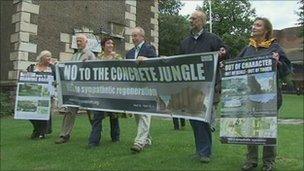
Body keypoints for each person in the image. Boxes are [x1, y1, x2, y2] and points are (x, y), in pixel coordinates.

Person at [239, 17, 291, 171]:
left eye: (258, 25)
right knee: (251, 129)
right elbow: (235, 67)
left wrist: (278, 63)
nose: (254, 27)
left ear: (266, 30)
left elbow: (287, 71)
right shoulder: (247, 48)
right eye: (254, 24)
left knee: (268, 129)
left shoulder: (275, 48)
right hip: (250, 96)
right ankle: (251, 161)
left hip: (270, 97)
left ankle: (269, 162)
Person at [179, 10, 223, 163]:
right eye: (190, 18)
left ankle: (205, 152)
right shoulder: (185, 42)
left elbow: (225, 53)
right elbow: (178, 62)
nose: (191, 20)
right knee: (194, 119)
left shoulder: (213, 39)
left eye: (194, 18)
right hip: (191, 87)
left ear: (203, 21)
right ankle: (201, 150)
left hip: (209, 87)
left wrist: (224, 52)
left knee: (203, 118)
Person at [55, 34, 96, 144]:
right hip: (74, 89)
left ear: (86, 42)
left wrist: (89, 65)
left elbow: (95, 69)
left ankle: (96, 133)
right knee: (70, 111)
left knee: (91, 112)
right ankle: (64, 135)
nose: (78, 43)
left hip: (86, 89)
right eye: (77, 41)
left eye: (80, 41)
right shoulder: (75, 55)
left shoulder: (90, 54)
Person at [126, 26, 157, 153]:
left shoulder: (149, 48)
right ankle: (147, 139)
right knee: (138, 114)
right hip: (134, 87)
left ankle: (139, 142)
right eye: (132, 36)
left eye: (135, 36)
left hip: (147, 86)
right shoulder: (129, 53)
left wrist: (147, 60)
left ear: (142, 37)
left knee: (144, 113)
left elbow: (156, 62)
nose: (133, 38)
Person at [87, 37, 122, 147]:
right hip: (100, 92)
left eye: (112, 43)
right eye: (108, 43)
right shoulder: (98, 58)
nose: (110, 45)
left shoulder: (118, 57)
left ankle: (115, 137)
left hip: (113, 91)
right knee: (97, 116)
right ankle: (93, 141)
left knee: (114, 116)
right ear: (103, 46)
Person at [27, 50, 55, 139]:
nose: (49, 58)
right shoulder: (33, 67)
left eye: (50, 56)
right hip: (34, 93)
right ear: (42, 57)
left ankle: (42, 132)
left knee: (44, 112)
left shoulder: (52, 68)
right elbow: (27, 78)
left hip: (47, 93)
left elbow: (57, 79)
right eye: (47, 56)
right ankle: (37, 129)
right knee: (31, 112)